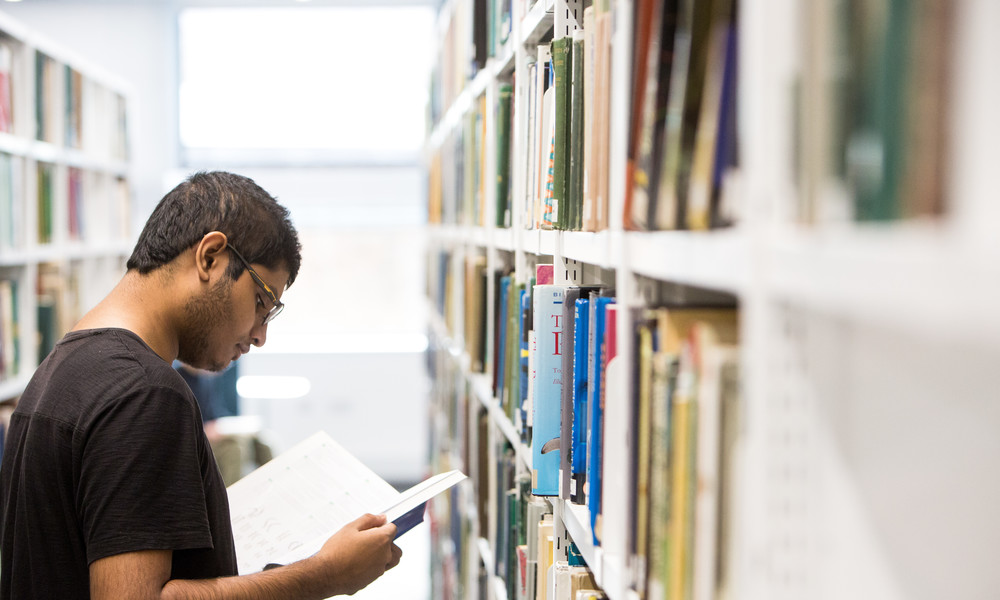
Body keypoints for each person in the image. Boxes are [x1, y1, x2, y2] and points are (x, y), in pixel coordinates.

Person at [0, 171, 401, 599]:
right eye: (262, 303)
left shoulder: (62, 367)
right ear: (210, 257)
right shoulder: (144, 395)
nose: (260, 334)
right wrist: (324, 575)